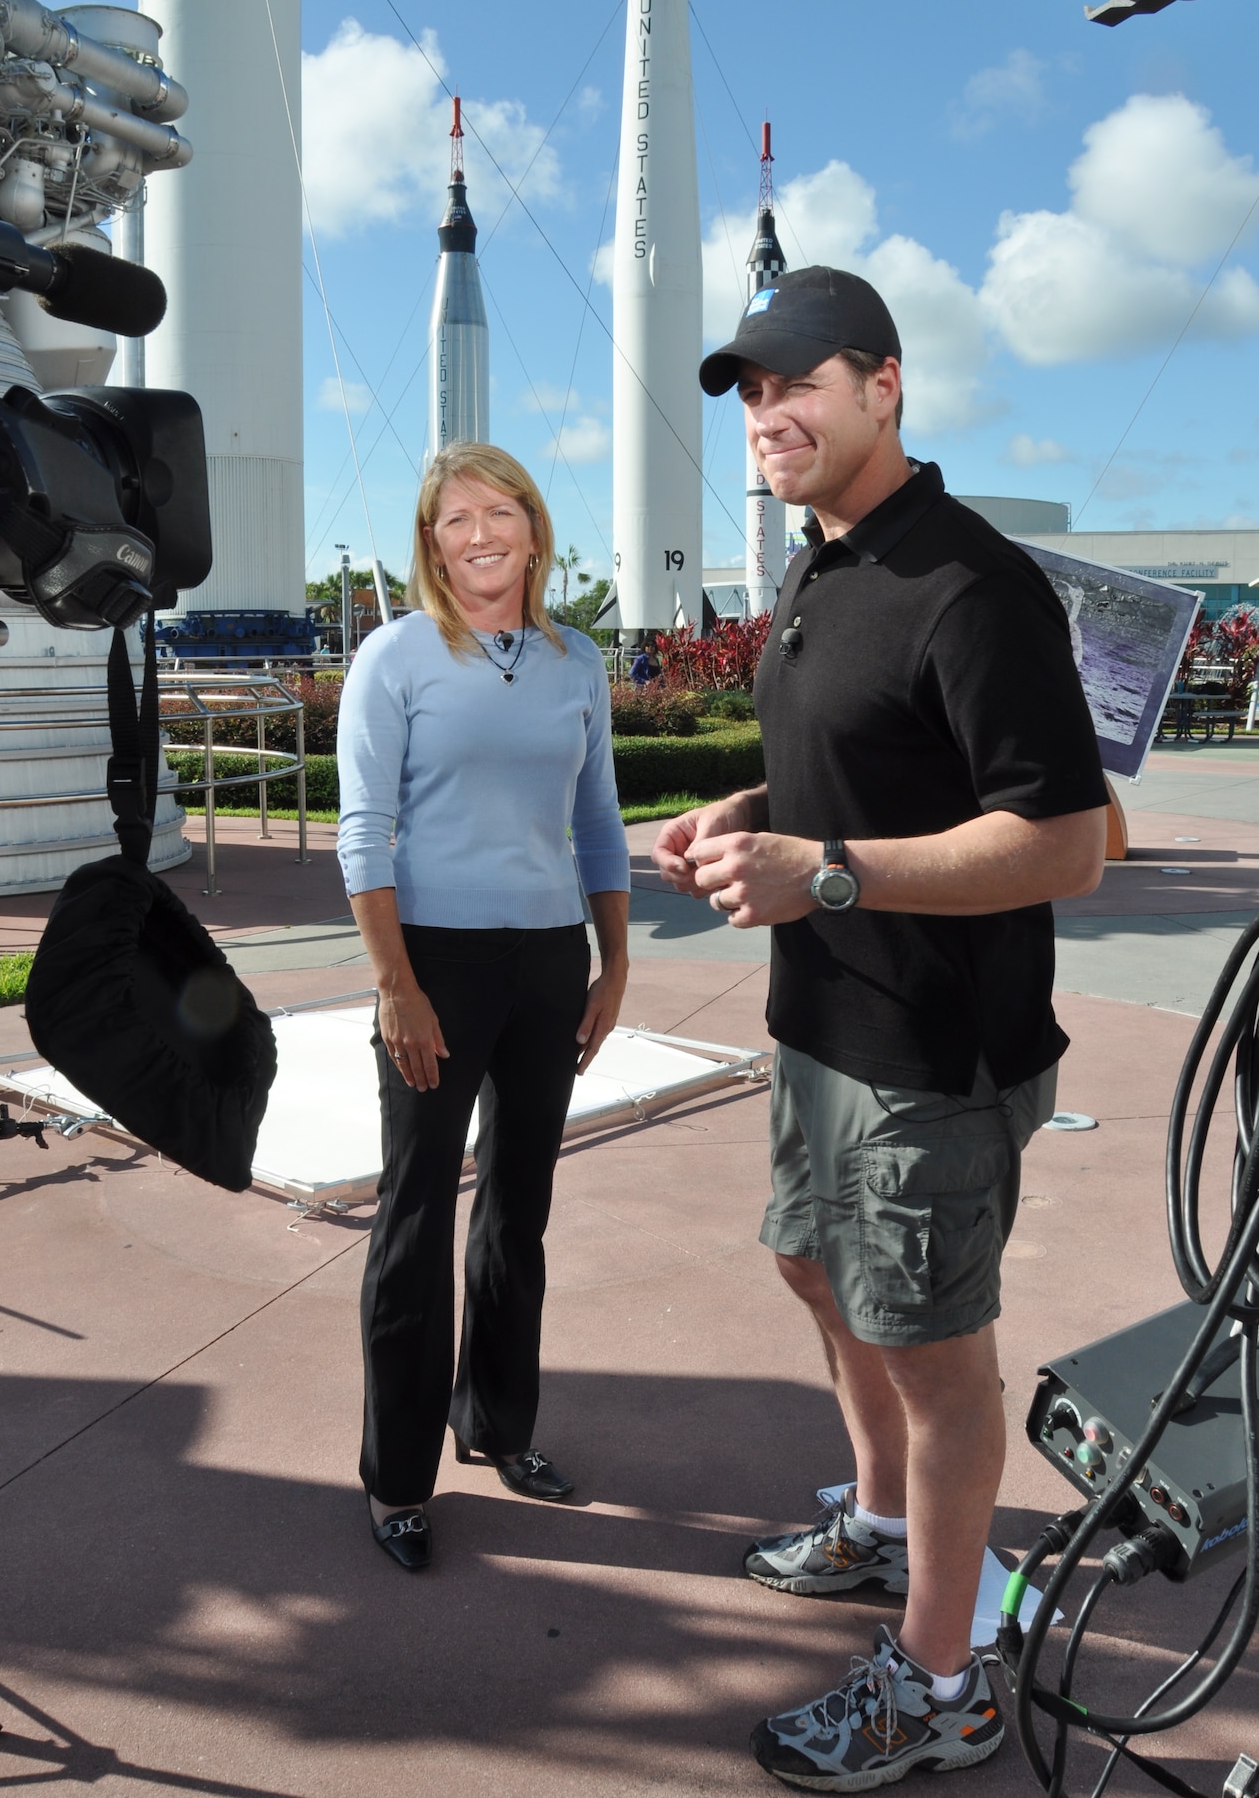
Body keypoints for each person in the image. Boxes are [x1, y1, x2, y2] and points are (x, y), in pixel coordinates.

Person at [653, 266, 1107, 1789]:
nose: (769, 416)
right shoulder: (823, 564)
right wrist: (752, 810)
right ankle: (888, 1523)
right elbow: (863, 762)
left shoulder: (975, 586)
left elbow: (1065, 844)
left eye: (797, 385)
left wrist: (826, 873)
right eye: (752, 396)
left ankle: (943, 1680)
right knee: (809, 1263)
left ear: (884, 386)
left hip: (935, 1053)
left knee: (934, 1355)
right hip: (823, 1022)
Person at [336, 442, 630, 1573]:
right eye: (455, 518)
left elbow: (597, 822)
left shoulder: (575, 660)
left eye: (497, 511)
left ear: (533, 527)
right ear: (430, 540)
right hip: (435, 966)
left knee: (520, 1207)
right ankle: (397, 1477)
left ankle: (500, 1427)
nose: (478, 533)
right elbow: (363, 831)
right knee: (414, 1219)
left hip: (550, 959)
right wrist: (395, 982)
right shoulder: (395, 656)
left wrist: (612, 963)